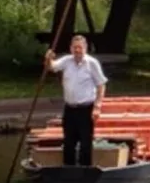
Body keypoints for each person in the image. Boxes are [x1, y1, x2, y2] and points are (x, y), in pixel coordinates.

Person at [45, 35, 108, 166]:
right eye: (75, 47)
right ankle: (68, 169)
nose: (77, 50)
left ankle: (85, 170)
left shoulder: (92, 63)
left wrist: (97, 106)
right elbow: (51, 67)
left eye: (80, 47)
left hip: (86, 109)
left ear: (85, 48)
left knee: (85, 142)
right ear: (71, 48)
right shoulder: (67, 61)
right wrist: (48, 59)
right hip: (70, 108)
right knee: (68, 141)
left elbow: (101, 84)